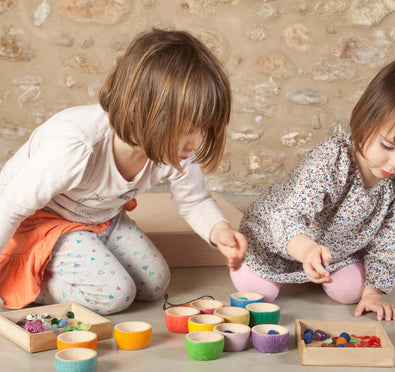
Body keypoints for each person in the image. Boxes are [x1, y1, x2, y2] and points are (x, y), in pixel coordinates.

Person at [0, 28, 247, 315]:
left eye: (203, 128)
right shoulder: (76, 146)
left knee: (155, 283)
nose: (197, 142)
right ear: (137, 114)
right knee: (114, 294)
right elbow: (10, 206)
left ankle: (81, 256)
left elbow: (194, 200)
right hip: (43, 221)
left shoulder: (174, 148)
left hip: (103, 219)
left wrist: (219, 231)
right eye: (189, 129)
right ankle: (20, 280)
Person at [231, 56, 395, 321]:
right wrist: (306, 251)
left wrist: (373, 293)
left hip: (334, 250)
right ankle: (295, 265)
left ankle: (315, 271)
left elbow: (390, 241)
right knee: (258, 293)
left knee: (352, 292)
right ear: (364, 123)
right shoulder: (332, 159)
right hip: (281, 237)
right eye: (387, 146)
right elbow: (289, 215)